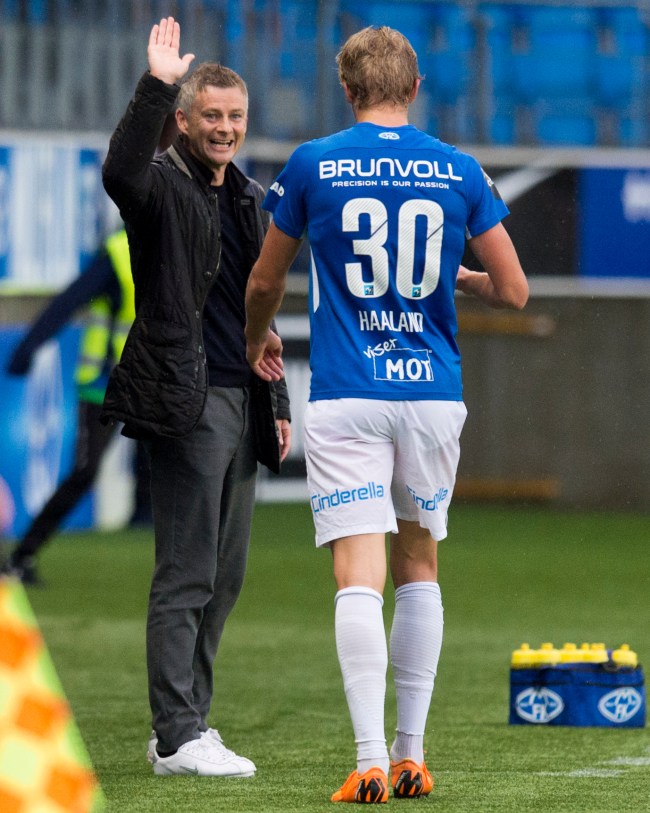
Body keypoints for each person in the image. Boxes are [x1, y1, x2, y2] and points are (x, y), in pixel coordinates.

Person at [245, 26, 528, 804]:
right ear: (415, 87)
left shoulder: (313, 163)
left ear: (347, 88)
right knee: (420, 566)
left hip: (347, 392)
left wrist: (253, 335)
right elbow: (514, 290)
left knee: (355, 577)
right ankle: (412, 754)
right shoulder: (459, 169)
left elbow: (265, 279)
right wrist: (460, 279)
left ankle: (368, 759)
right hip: (431, 394)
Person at [101, 17, 291, 778]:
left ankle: (189, 723)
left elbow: (250, 292)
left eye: (235, 117)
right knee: (186, 572)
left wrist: (261, 346)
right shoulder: (159, 186)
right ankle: (177, 732)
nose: (224, 128)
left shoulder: (248, 196)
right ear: (183, 120)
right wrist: (153, 83)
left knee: (225, 573)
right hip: (186, 397)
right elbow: (121, 170)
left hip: (238, 395)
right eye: (210, 115)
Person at [0, 227, 145, 585]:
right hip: (104, 383)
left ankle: (156, 524)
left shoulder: (176, 241)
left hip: (151, 380)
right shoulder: (118, 252)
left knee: (175, 456)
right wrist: (29, 346)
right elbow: (69, 301)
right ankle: (22, 556)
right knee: (86, 470)